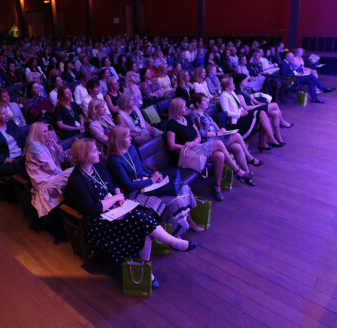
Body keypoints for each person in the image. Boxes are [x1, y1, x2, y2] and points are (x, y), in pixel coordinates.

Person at [64, 139, 197, 288]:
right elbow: (92, 209)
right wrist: (116, 198)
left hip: (114, 209)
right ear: (85, 155)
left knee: (143, 227)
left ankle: (146, 270)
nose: (99, 152)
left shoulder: (98, 166)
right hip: (99, 222)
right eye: (95, 151)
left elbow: (113, 184)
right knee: (141, 219)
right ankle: (175, 243)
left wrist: (119, 197)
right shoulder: (76, 180)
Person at [106, 126, 203, 235]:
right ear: (118, 140)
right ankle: (176, 233)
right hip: (135, 191)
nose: (130, 138)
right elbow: (128, 185)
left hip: (147, 182)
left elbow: (141, 167)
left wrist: (155, 175)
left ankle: (190, 222)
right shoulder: (114, 160)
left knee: (183, 187)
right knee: (174, 200)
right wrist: (152, 180)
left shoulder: (132, 148)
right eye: (127, 136)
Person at [166, 98, 251, 201]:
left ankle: (217, 186)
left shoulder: (187, 118)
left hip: (197, 147)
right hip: (187, 154)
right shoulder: (171, 124)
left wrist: (195, 142)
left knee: (220, 155)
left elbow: (198, 136)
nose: (187, 108)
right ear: (177, 109)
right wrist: (186, 146)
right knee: (219, 143)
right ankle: (237, 170)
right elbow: (171, 146)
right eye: (184, 106)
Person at [188, 93, 262, 184]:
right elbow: (201, 134)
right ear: (198, 103)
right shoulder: (194, 115)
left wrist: (220, 129)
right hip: (207, 142)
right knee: (237, 136)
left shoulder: (203, 112)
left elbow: (213, 123)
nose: (207, 102)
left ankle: (246, 173)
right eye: (204, 100)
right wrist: (217, 133)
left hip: (215, 137)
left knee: (237, 147)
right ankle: (249, 159)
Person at [24, 122, 73, 218]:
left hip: (52, 177)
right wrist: (69, 175)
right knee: (75, 173)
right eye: (45, 131)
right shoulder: (35, 147)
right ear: (38, 134)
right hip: (44, 182)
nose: (49, 133)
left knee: (75, 174)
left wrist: (56, 147)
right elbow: (52, 169)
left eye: (48, 131)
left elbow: (61, 160)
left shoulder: (45, 144)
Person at [0, 102, 27, 180]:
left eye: (6, 112)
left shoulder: (11, 123)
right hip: (9, 160)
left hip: (22, 155)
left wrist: (25, 150)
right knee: (23, 166)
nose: (7, 115)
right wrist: (10, 160)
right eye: (3, 114)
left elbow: (23, 138)